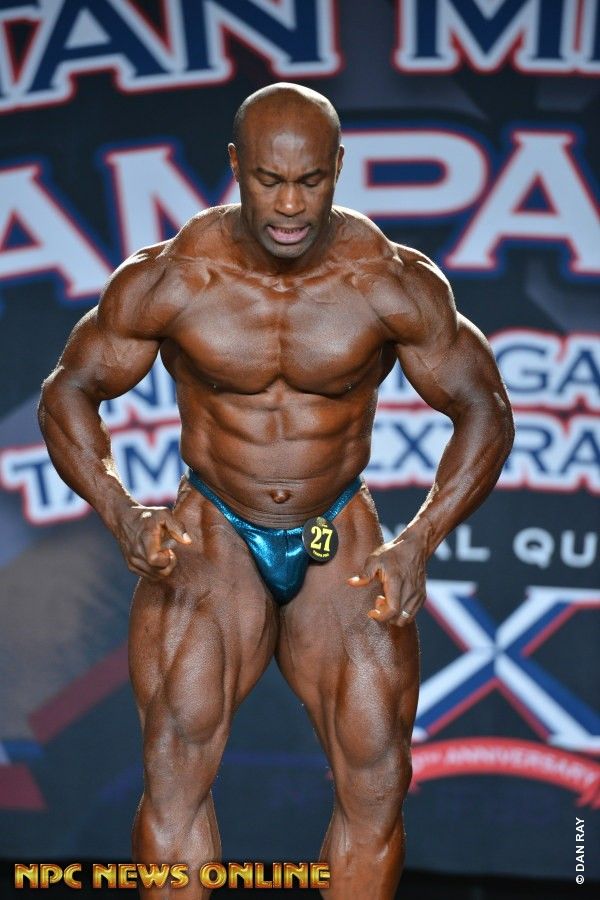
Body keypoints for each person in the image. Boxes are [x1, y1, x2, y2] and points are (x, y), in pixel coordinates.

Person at [38, 83, 514, 898]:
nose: (290, 205)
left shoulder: (388, 280)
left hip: (336, 530)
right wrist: (121, 512)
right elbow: (69, 391)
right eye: (269, 180)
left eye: (310, 181)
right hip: (215, 529)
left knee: (376, 776)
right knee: (177, 763)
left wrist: (419, 541)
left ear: (338, 168)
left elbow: (484, 408)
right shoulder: (174, 277)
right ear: (235, 166)